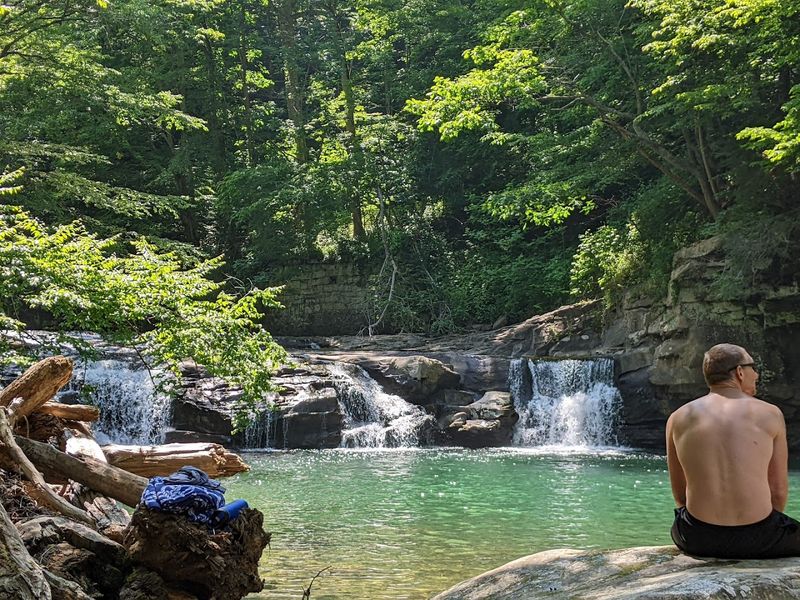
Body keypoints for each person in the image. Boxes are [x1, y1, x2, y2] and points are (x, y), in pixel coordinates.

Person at [666, 343, 800, 558]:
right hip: (761, 537)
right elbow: (778, 492)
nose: (755, 374)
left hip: (697, 537)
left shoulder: (678, 418)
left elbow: (680, 496)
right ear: (739, 372)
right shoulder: (771, 414)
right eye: (753, 367)